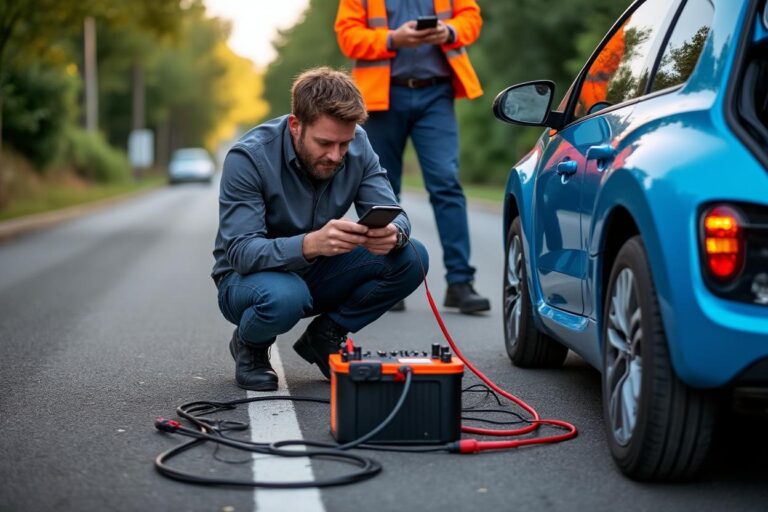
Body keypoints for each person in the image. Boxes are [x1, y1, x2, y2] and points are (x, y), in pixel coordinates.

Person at [212, 67, 429, 391]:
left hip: (317, 268)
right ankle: (250, 347)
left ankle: (324, 336)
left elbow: (395, 213)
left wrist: (394, 234)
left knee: (413, 257)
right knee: (285, 295)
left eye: (344, 143)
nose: (336, 155)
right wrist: (310, 244)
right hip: (245, 281)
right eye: (325, 143)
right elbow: (242, 253)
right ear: (296, 125)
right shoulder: (249, 157)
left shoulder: (357, 145)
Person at [335, 0, 490, 314]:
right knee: (382, 188)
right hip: (381, 97)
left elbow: (471, 19)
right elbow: (348, 36)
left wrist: (448, 31)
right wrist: (393, 38)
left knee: (446, 182)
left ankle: (460, 282)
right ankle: (389, 277)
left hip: (436, 94)